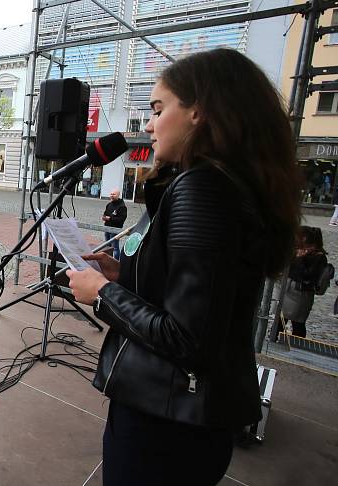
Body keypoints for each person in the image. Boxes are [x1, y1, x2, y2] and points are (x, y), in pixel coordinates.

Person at [66, 48, 301, 486]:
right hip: (188, 421)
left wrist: (101, 293)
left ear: (200, 112)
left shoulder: (202, 188)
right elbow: (202, 293)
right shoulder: (226, 183)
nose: (150, 125)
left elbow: (187, 336)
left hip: (167, 420)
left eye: (158, 109)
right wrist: (123, 275)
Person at [280, 226, 327, 338]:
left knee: (297, 323)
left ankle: (297, 346)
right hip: (288, 291)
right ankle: (274, 340)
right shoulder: (298, 251)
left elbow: (307, 275)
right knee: (280, 320)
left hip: (300, 294)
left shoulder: (319, 258)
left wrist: (300, 259)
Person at [102, 189, 128, 260]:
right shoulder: (109, 204)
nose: (112, 196)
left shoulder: (122, 207)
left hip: (115, 229)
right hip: (107, 228)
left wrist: (110, 219)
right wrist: (104, 217)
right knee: (107, 246)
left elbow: (121, 219)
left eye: (114, 194)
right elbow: (105, 214)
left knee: (115, 248)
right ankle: (107, 260)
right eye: (111, 194)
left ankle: (115, 262)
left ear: (118, 195)